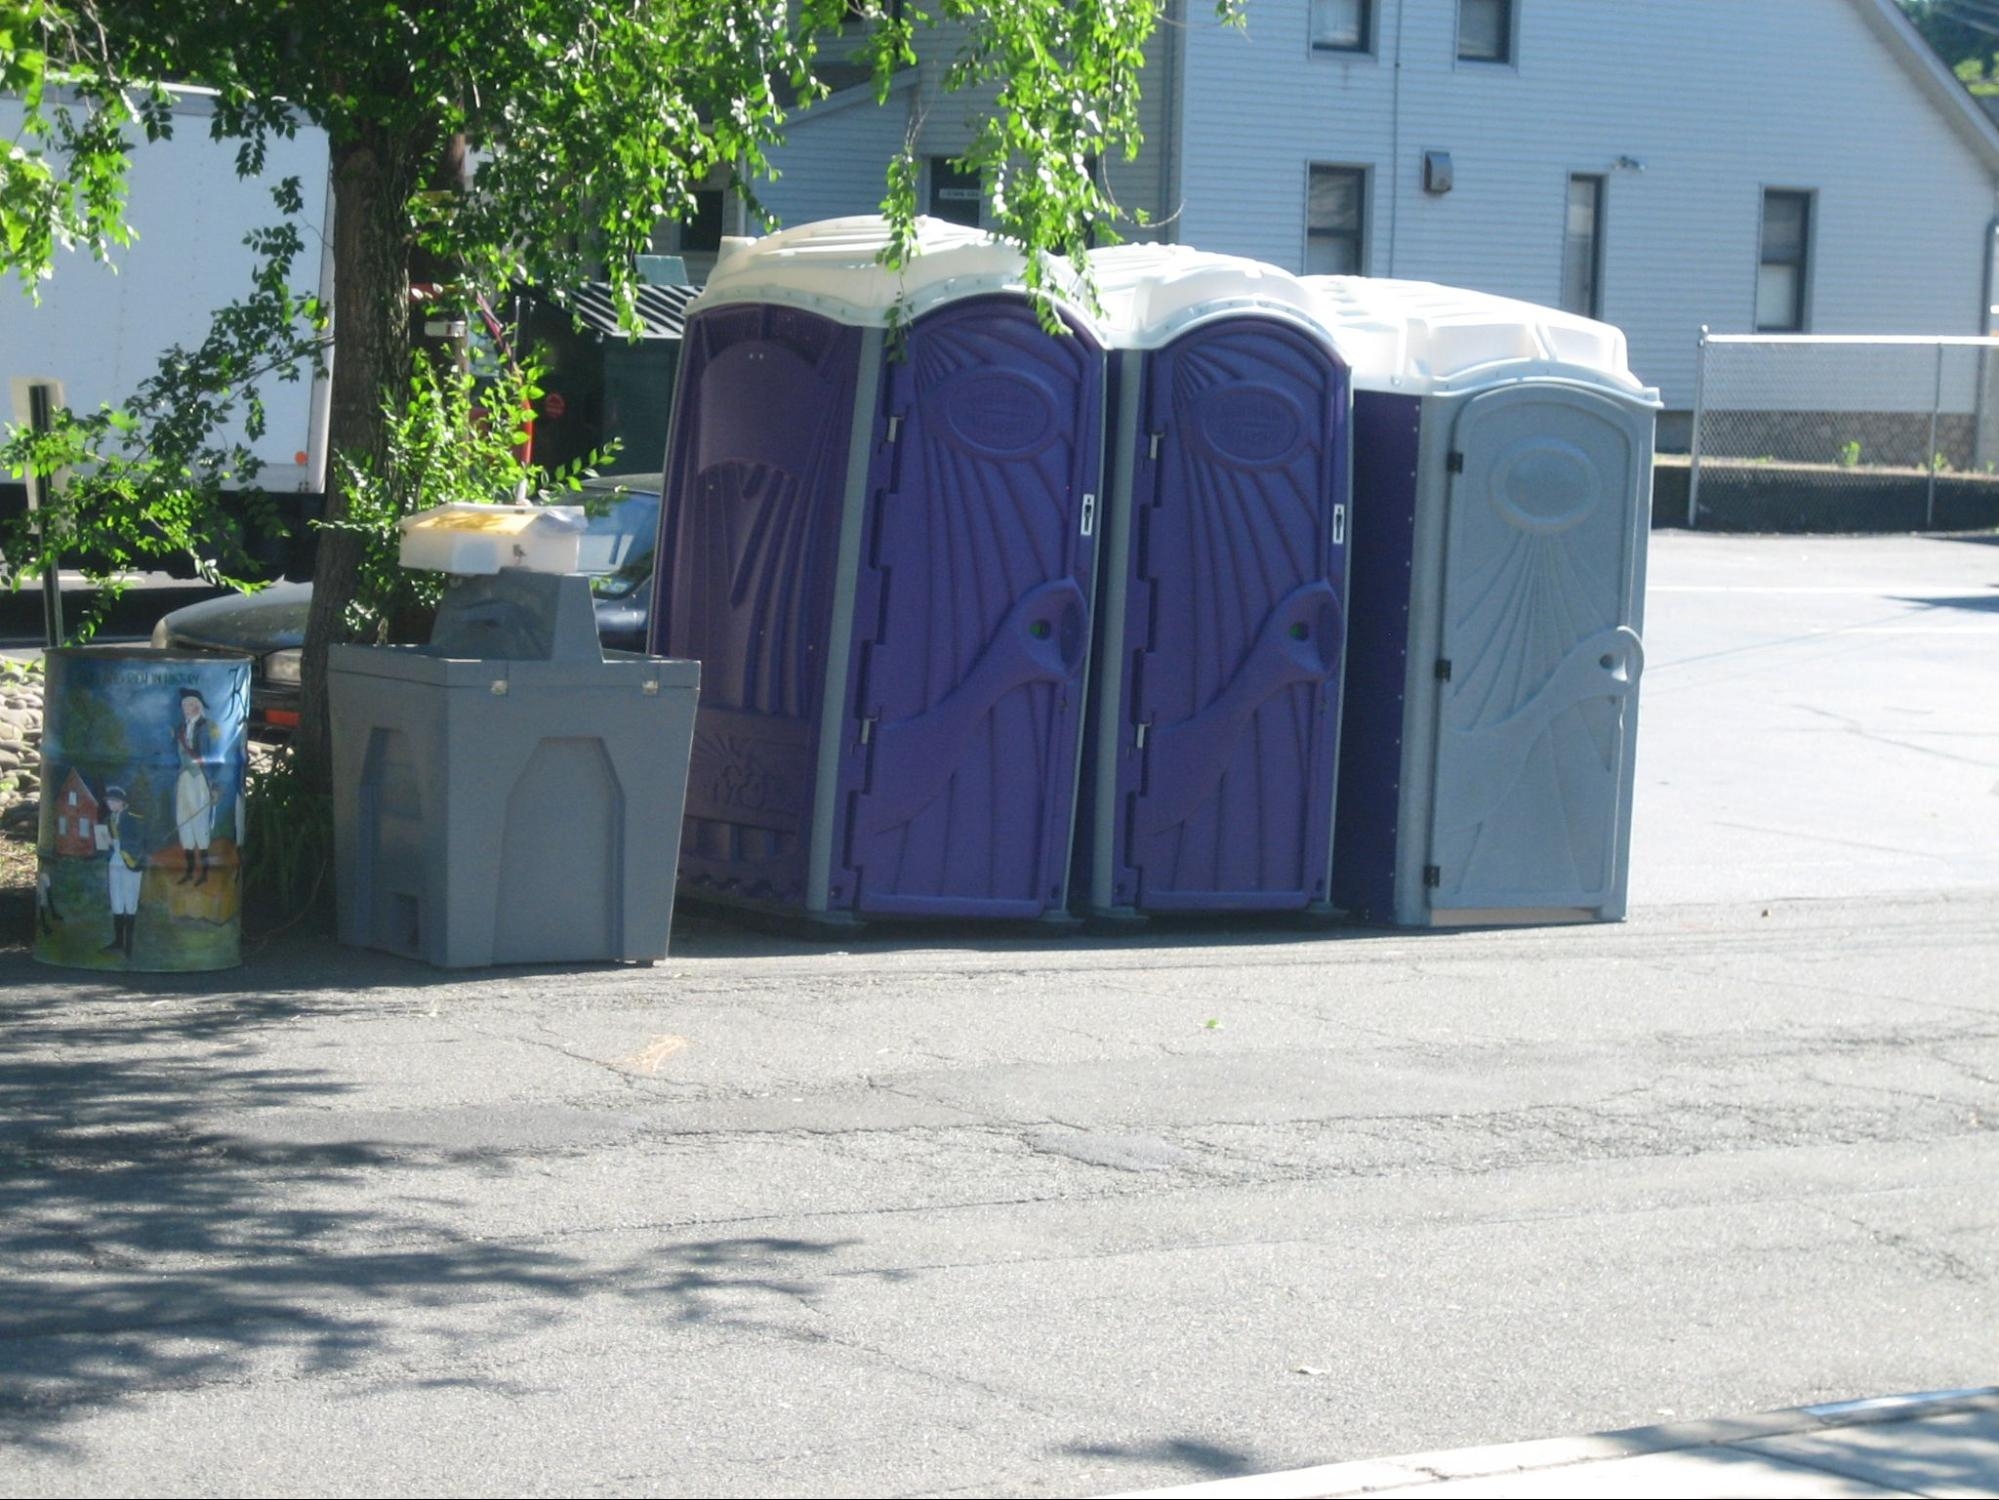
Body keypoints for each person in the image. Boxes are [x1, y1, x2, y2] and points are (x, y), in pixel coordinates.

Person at [173, 688, 217, 886]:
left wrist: (213, 784)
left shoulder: (206, 727)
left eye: (189, 704)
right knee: (184, 821)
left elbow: (211, 757)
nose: (185, 708)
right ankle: (190, 870)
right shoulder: (180, 728)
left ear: (197, 706)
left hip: (200, 778)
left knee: (200, 822)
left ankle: (204, 873)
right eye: (183, 705)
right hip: (184, 778)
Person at [95, 785, 144, 957]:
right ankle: (118, 942)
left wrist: (113, 842)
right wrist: (105, 843)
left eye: (112, 801)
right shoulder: (110, 818)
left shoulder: (132, 818)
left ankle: (129, 945)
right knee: (116, 901)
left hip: (131, 862)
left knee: (130, 902)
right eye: (108, 801)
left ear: (121, 802)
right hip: (115, 862)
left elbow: (137, 841)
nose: (109, 804)